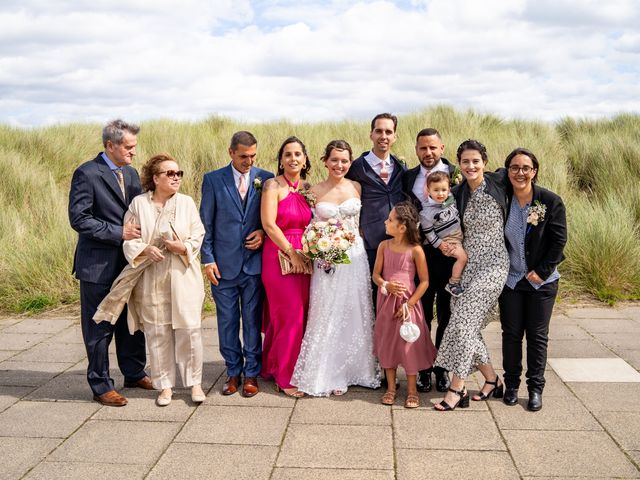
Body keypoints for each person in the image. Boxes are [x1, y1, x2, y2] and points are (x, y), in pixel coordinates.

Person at [68, 119, 152, 407]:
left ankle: (134, 372)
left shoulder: (130, 174)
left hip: (129, 263)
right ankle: (101, 385)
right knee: (100, 325)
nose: (133, 153)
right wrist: (119, 233)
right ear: (110, 145)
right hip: (97, 265)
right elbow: (79, 219)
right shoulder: (87, 173)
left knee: (131, 322)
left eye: (134, 147)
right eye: (129, 147)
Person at [292, 140, 380, 396]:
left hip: (355, 256)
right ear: (325, 161)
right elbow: (308, 226)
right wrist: (316, 248)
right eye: (334, 160)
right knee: (327, 310)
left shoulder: (357, 187)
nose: (339, 165)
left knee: (355, 309)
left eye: (344, 161)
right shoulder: (313, 190)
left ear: (350, 162)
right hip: (327, 260)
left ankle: (357, 369)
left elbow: (360, 223)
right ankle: (328, 372)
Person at [116, 154, 206, 406]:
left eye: (179, 173)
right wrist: (145, 249)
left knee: (190, 329)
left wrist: (183, 246)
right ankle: (164, 386)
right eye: (170, 173)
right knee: (158, 331)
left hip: (182, 274)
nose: (176, 177)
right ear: (155, 178)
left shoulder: (187, 203)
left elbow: (198, 234)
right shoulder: (138, 204)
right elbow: (130, 238)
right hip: (151, 274)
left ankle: (195, 384)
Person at [433, 139, 509, 411]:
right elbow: (445, 221)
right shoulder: (457, 192)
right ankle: (491, 380)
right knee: (465, 324)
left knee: (462, 322)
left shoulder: (499, 184)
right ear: (459, 165)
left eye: (476, 161)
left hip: (494, 265)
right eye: (465, 161)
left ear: (484, 163)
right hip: (467, 265)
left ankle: (457, 386)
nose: (471, 166)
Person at [200, 131, 274, 398]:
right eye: (243, 156)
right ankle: (233, 372)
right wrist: (207, 260)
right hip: (223, 265)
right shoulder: (212, 180)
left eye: (253, 155)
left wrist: (264, 235)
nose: (249, 161)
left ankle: (252, 373)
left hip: (254, 265)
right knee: (228, 321)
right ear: (231, 152)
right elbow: (205, 224)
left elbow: (271, 218)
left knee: (252, 321)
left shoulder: (265, 179)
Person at [499, 148, 567, 412]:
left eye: (526, 168)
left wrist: (543, 270)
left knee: (537, 336)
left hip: (542, 281)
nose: (520, 173)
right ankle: (512, 386)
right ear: (507, 171)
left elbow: (559, 241)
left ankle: (535, 388)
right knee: (511, 334)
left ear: (534, 171)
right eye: (514, 167)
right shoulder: (503, 199)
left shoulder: (548, 201)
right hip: (512, 280)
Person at [402, 128, 456, 393]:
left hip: (448, 257)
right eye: (423, 148)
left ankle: (442, 369)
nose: (428, 153)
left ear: (442, 148)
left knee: (447, 314)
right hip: (419, 256)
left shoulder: (458, 174)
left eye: (433, 148)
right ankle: (423, 368)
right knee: (421, 314)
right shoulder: (408, 176)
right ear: (416, 150)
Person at [260, 136, 313, 398]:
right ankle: (285, 377)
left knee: (301, 313)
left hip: (306, 257)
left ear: (305, 159)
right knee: (290, 315)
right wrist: (292, 253)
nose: (293, 158)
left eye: (298, 154)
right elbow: (269, 224)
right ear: (281, 160)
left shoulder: (308, 188)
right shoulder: (272, 186)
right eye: (288, 154)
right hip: (279, 254)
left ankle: (271, 364)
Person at [373, 202, 437, 408]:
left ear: (402, 227)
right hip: (387, 303)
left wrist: (410, 304)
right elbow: (375, 275)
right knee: (388, 343)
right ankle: (391, 388)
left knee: (409, 344)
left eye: (390, 219)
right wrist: (386, 284)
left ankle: (412, 390)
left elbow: (425, 281)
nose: (386, 221)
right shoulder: (384, 246)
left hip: (409, 305)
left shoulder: (416, 250)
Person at [346, 113, 406, 289]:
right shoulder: (356, 167)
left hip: (398, 240)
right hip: (370, 241)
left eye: (388, 132)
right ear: (371, 134)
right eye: (379, 131)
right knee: (373, 291)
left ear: (395, 137)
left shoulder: (401, 167)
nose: (383, 136)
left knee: (398, 289)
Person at [419, 171, 468, 297]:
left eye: (443, 190)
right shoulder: (426, 213)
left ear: (449, 189)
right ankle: (453, 283)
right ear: (428, 190)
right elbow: (429, 234)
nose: (440, 193)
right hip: (449, 241)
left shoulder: (451, 199)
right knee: (462, 258)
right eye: (436, 190)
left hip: (459, 236)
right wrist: (441, 245)